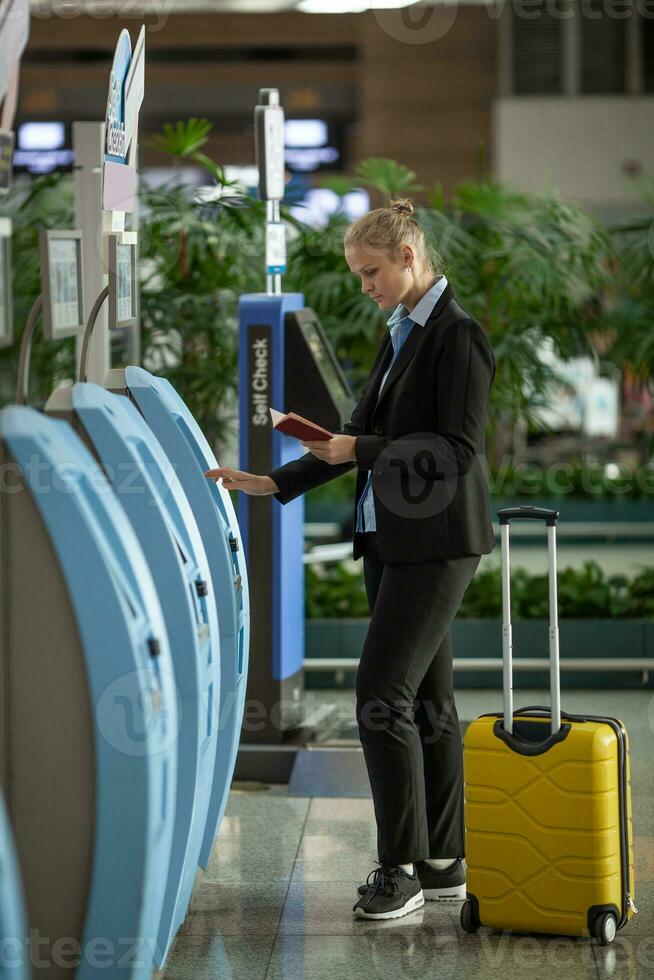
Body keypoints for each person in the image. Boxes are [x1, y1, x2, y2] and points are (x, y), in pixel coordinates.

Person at [205, 199, 496, 922]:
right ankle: (443, 859)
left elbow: (456, 453)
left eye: (371, 272)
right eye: (357, 274)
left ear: (407, 257)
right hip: (392, 539)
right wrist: (276, 480)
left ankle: (398, 869)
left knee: (381, 694)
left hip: (437, 541)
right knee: (427, 702)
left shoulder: (457, 336)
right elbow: (360, 430)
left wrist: (358, 451)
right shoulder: (401, 332)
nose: (364, 286)